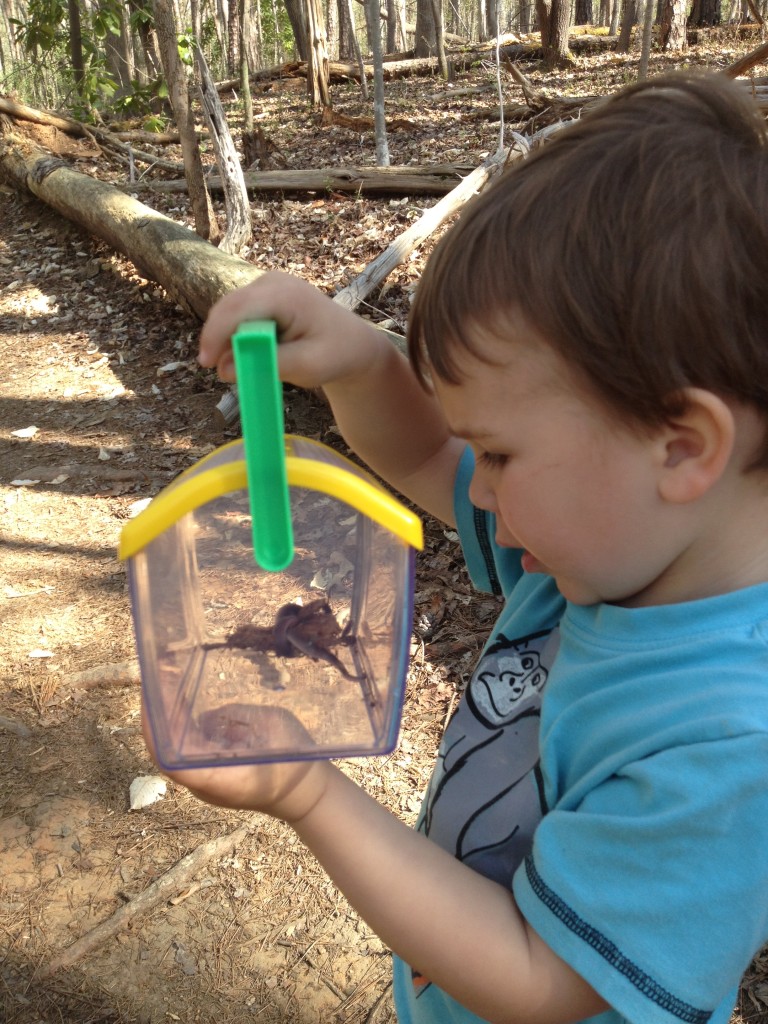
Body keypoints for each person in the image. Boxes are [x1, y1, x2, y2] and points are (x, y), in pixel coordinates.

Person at [142, 69, 768, 1024]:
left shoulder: (729, 738)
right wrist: (358, 359)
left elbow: (538, 975)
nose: (476, 489)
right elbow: (430, 453)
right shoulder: (601, 548)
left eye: (503, 453)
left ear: (682, 445)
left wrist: (307, 794)